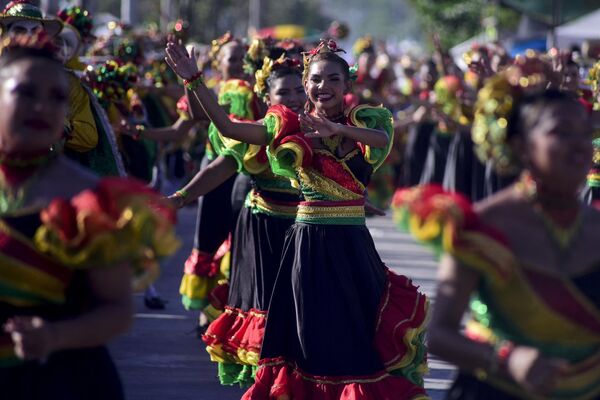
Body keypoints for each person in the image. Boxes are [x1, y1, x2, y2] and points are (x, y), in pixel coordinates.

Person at [166, 38, 428, 399]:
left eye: (333, 79)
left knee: (357, 337)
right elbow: (229, 128)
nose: (324, 87)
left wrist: (339, 131)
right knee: (310, 338)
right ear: (307, 85)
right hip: (307, 245)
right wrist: (194, 80)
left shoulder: (363, 122)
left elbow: (381, 139)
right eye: (316, 80)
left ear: (347, 85)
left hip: (352, 247)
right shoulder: (286, 126)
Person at [393, 61, 600, 399]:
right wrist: (505, 358)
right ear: (521, 146)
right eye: (561, 132)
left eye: (585, 133)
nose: (580, 145)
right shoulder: (482, 225)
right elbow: (440, 333)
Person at [0, 35, 179, 399]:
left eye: (57, 98)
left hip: (60, 382)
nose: (42, 107)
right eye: (25, 92)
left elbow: (117, 310)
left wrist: (53, 336)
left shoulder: (88, 199)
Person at [167, 53, 305, 386]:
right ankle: (270, 381)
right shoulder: (263, 130)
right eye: (284, 93)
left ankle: (300, 378)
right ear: (267, 99)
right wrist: (180, 197)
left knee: (304, 308)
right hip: (262, 228)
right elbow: (221, 164)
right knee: (267, 310)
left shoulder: (321, 128)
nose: (295, 99)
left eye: (299, 90)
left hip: (307, 230)